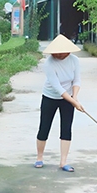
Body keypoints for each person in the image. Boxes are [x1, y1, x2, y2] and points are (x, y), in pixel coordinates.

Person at [35, 34, 84, 172]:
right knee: (44, 127)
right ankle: (39, 157)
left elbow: (77, 80)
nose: (58, 55)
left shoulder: (74, 60)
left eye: (61, 52)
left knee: (66, 128)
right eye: (55, 53)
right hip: (50, 97)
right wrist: (74, 101)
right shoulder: (49, 64)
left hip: (68, 98)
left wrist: (75, 97)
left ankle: (63, 162)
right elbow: (58, 88)